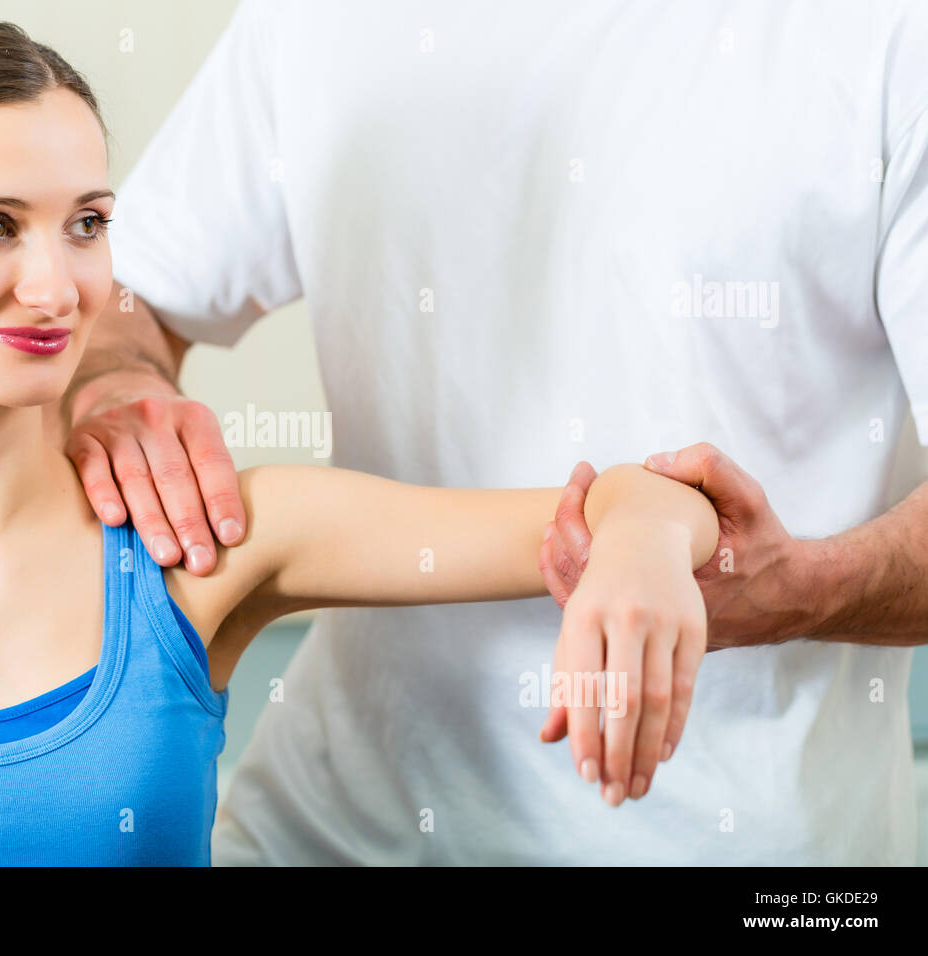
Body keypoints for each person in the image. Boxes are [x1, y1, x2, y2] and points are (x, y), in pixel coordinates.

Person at [0, 15, 718, 866]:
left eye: (88, 223)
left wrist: (638, 546)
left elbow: (648, 498)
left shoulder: (199, 547)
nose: (59, 285)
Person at [63, 0, 928, 863]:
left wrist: (804, 589)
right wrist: (115, 384)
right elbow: (132, 294)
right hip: (324, 829)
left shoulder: (886, 36)